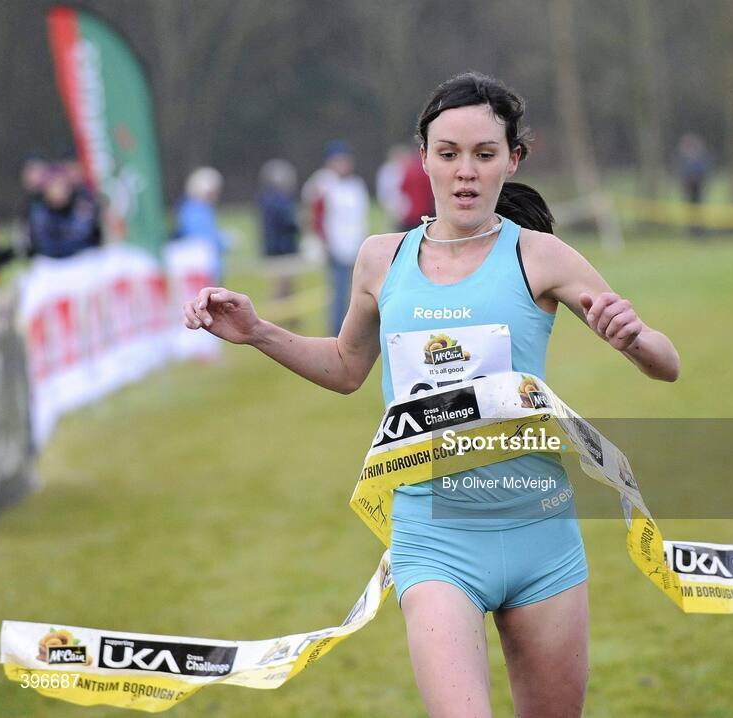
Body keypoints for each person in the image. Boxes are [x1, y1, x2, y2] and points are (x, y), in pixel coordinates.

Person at [184, 72, 679, 717]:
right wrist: (257, 332)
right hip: (434, 538)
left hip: (541, 534)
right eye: (448, 154)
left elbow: (665, 364)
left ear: (513, 159)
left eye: (484, 154)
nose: (466, 172)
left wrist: (634, 338)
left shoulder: (542, 257)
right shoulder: (380, 260)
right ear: (423, 159)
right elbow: (344, 366)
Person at [302, 142, 369, 336]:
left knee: (357, 291)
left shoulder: (355, 185)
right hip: (335, 246)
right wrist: (321, 242)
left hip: (355, 245)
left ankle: (357, 328)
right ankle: (337, 330)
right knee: (338, 291)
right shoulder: (322, 184)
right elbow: (314, 215)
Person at [28, 167, 101, 259]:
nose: (60, 190)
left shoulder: (79, 199)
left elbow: (95, 226)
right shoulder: (40, 215)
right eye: (54, 186)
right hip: (59, 264)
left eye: (62, 185)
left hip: (88, 256)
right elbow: (49, 249)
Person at [258, 159, 300, 301]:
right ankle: (280, 317)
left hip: (271, 248)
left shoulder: (265, 199)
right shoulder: (279, 200)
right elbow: (289, 222)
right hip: (281, 249)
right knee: (282, 286)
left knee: (281, 285)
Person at [176, 167, 228, 282]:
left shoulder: (203, 209)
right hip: (202, 267)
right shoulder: (194, 211)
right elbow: (203, 239)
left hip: (209, 266)